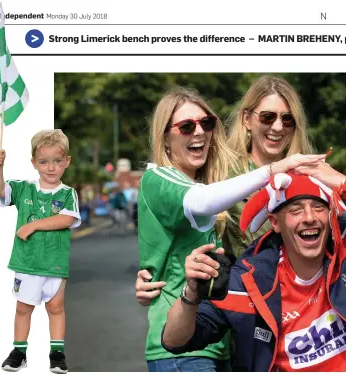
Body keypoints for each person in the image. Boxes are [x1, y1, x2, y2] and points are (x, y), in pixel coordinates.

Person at [160, 164, 346, 371]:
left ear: (331, 214)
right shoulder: (247, 282)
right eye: (296, 210)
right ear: (275, 222)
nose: (309, 218)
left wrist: (343, 183)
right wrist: (191, 293)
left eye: (318, 208)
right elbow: (176, 341)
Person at [134, 86, 325, 372]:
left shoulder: (211, 177)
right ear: (247, 119)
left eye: (206, 124)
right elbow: (202, 203)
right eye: (186, 126)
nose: (198, 132)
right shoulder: (211, 182)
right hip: (193, 339)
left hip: (253, 336)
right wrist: (276, 170)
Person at [0, 129, 81, 373]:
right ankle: (19, 351)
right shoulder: (23, 189)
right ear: (34, 163)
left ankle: (57, 353)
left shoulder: (67, 194)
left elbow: (66, 220)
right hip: (26, 263)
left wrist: (33, 225)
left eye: (57, 161)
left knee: (56, 308)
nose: (51, 168)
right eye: (44, 162)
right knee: (23, 308)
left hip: (55, 264)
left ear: (66, 162)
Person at [223, 75, 315, 259]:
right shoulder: (224, 175)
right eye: (268, 117)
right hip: (242, 283)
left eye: (288, 119)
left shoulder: (310, 175)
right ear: (246, 119)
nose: (278, 127)